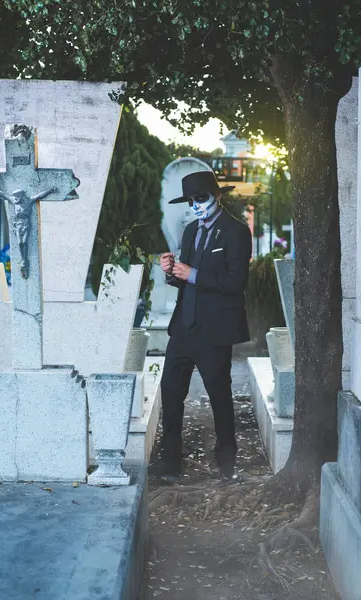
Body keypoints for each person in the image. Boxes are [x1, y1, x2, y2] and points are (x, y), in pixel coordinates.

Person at [150, 170, 252, 481]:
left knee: (219, 394)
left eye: (202, 198)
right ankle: (170, 462)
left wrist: (192, 274)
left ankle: (227, 462)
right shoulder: (191, 231)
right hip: (184, 326)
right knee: (170, 390)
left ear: (217, 196)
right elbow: (185, 280)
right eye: (191, 201)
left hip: (215, 329)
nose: (196, 206)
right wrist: (171, 273)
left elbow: (237, 282)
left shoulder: (236, 232)